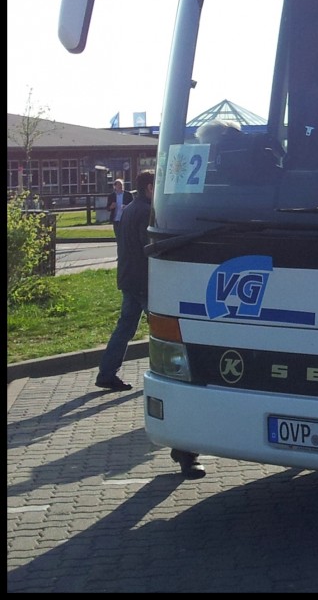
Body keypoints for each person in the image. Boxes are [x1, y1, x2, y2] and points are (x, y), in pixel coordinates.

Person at [94, 170, 205, 479]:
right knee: (164, 332)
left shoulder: (130, 208)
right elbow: (154, 248)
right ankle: (169, 376)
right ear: (148, 186)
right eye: (157, 184)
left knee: (125, 327)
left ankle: (106, 372)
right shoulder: (145, 211)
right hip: (144, 281)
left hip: (129, 278)